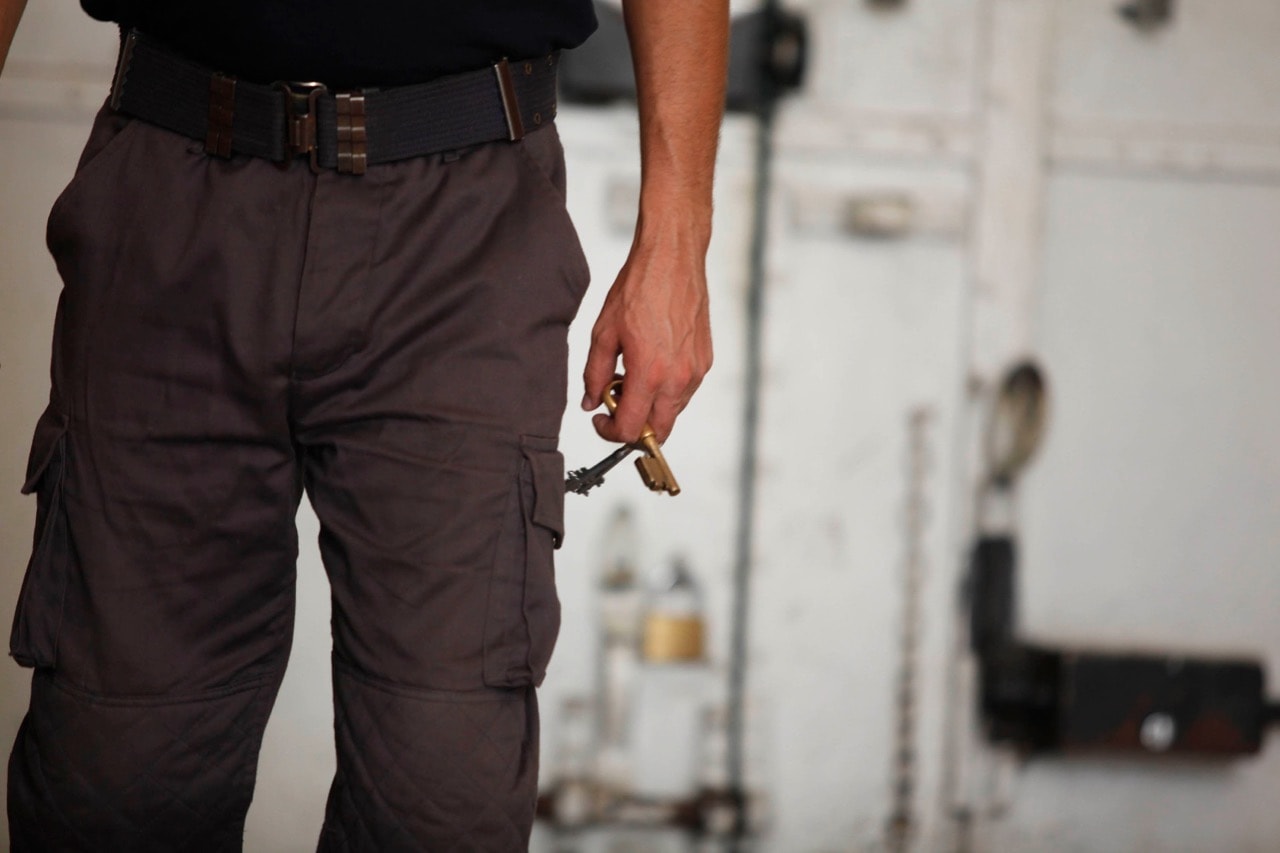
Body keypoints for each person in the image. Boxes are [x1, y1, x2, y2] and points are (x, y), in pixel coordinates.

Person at [0, 0, 725, 849]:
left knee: (441, 784)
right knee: (115, 770)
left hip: (463, 227)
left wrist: (676, 247)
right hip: (171, 192)